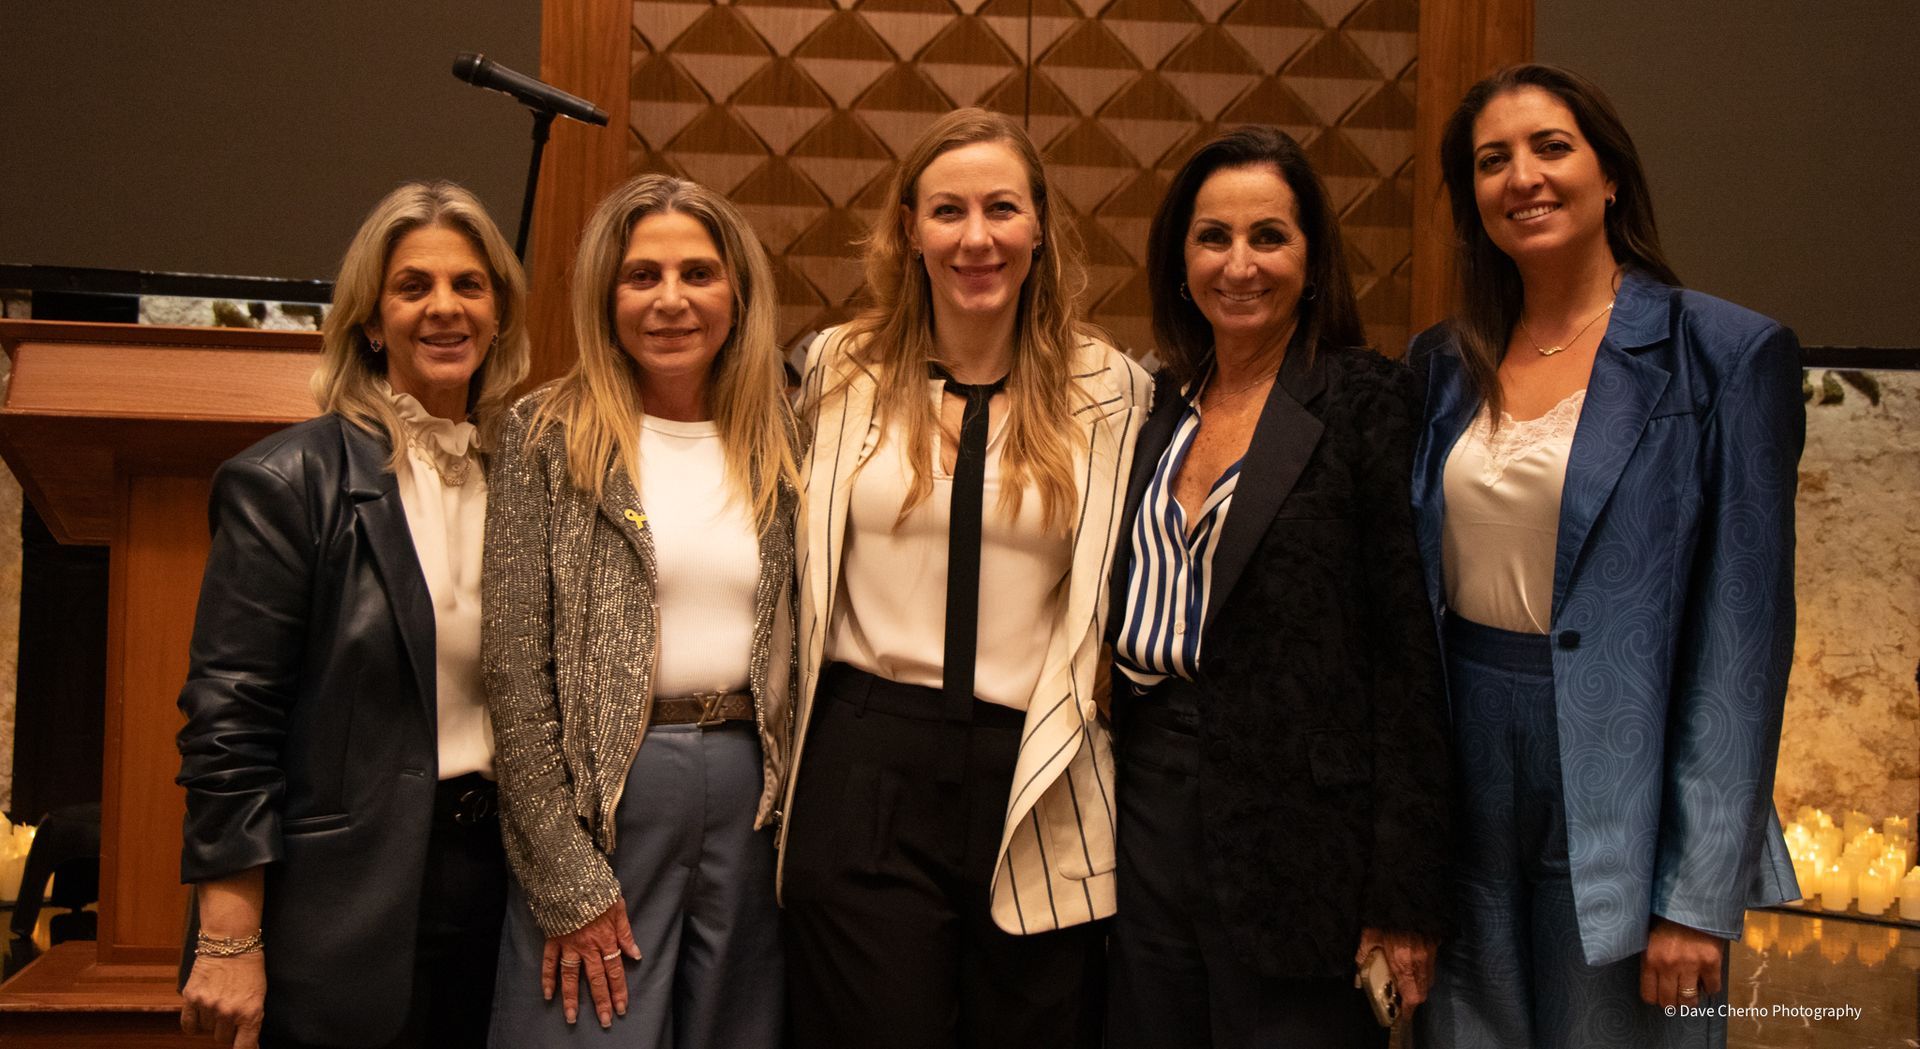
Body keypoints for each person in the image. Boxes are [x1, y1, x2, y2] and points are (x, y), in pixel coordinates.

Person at [1409, 64, 1802, 1049]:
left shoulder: (1721, 355)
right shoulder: (1441, 362)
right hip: (1459, 761)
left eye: (1551, 147)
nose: (1522, 177)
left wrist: (1696, 899)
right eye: (1491, 160)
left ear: (1611, 174)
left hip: (1626, 774)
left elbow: (1742, 647)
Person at [778, 107, 1152, 1049]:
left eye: (1001, 209)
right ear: (909, 229)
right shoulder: (837, 368)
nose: (975, 238)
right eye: (948, 211)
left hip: (1037, 768)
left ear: (1040, 228)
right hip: (865, 762)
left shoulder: (1111, 390)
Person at [1104, 126, 1453, 1048]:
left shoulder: (1366, 400)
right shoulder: (1158, 408)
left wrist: (1403, 892)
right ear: (1180, 260)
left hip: (1303, 840)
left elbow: (1409, 658)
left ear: (1312, 258)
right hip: (1147, 801)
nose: (1239, 264)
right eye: (1212, 237)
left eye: (1269, 236)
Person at [175, 180, 531, 1049]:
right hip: (343, 900)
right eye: (413, 287)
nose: (444, 308)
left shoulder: (526, 478)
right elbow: (230, 721)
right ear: (371, 320)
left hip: (503, 888)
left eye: (468, 285)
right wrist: (229, 936)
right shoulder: (287, 483)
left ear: (497, 315)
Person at [483, 173, 798, 1048]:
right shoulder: (545, 434)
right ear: (605, 295)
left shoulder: (787, 440)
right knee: (590, 1024)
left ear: (737, 293)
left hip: (753, 800)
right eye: (641, 276)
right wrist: (562, 873)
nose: (671, 300)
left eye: (698, 273)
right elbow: (514, 675)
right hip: (604, 807)